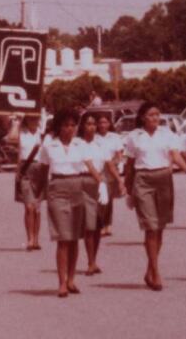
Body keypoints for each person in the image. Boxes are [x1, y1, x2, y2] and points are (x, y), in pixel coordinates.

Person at [39, 109, 106, 297]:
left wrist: (101, 183)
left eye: (72, 125)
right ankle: (61, 282)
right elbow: (43, 171)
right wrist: (42, 194)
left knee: (75, 237)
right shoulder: (49, 146)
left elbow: (91, 166)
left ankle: (71, 279)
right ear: (58, 127)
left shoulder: (80, 145)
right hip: (57, 188)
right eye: (65, 125)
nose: (69, 129)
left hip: (77, 188)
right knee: (63, 238)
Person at [124, 102, 186, 291]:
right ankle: (157, 272)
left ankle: (149, 270)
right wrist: (129, 190)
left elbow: (175, 156)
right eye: (151, 115)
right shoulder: (134, 137)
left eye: (157, 114)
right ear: (143, 117)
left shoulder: (167, 134)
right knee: (150, 227)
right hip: (143, 179)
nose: (155, 118)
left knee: (159, 227)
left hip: (163, 178)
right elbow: (130, 164)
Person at [78, 112, 121, 277]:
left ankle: (94, 260)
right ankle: (90, 262)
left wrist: (120, 181)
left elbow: (109, 164)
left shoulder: (100, 144)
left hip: (100, 185)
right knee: (89, 225)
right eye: (88, 124)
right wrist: (99, 179)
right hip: (84, 183)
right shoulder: (78, 143)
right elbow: (87, 164)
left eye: (94, 124)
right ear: (82, 126)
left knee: (97, 225)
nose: (92, 127)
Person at [10, 114, 45, 251]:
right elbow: (12, 138)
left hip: (40, 169)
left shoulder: (41, 135)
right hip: (25, 169)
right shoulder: (21, 133)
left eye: (36, 119)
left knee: (37, 209)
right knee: (29, 207)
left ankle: (36, 239)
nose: (33, 121)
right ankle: (29, 239)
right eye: (30, 119)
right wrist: (17, 122)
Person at [95, 114, 125, 237]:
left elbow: (119, 153)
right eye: (100, 122)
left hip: (112, 168)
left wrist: (119, 162)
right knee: (102, 197)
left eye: (105, 122)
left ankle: (107, 225)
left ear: (109, 124)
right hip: (99, 168)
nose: (102, 125)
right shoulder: (94, 138)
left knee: (109, 199)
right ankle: (101, 224)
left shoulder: (114, 137)